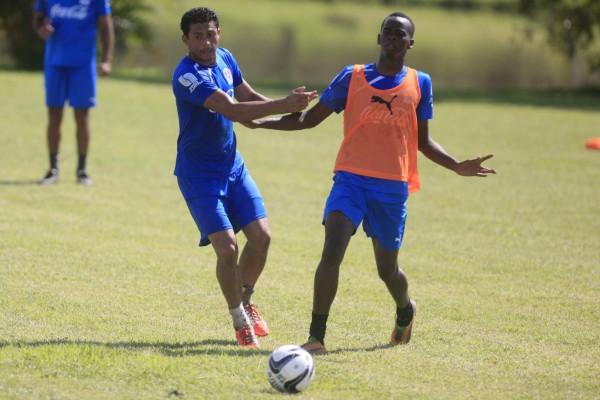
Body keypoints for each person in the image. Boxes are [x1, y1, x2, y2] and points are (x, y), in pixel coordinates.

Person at [245, 12, 496, 354]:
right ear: (379, 39)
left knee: (387, 270)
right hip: (350, 180)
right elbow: (308, 119)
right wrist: (261, 122)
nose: (393, 37)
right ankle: (316, 338)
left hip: (392, 187)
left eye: (400, 34)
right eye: (387, 32)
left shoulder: (420, 82)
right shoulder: (353, 77)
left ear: (410, 43)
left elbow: (422, 140)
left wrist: (455, 165)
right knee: (332, 249)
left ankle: (405, 310)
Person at [172, 7, 318, 348]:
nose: (206, 42)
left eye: (211, 34)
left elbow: (249, 99)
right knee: (227, 248)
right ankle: (239, 318)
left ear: (218, 32)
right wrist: (284, 102)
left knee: (262, 236)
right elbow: (235, 111)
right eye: (198, 36)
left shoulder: (225, 58)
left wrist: (291, 111)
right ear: (185, 40)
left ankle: (247, 298)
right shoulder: (187, 76)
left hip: (232, 167)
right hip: (199, 175)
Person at [33, 0, 115, 185]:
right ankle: (52, 170)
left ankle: (82, 171)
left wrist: (107, 59)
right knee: (54, 114)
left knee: (82, 115)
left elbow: (106, 26)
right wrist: (41, 29)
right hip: (55, 62)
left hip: (83, 65)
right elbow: (37, 20)